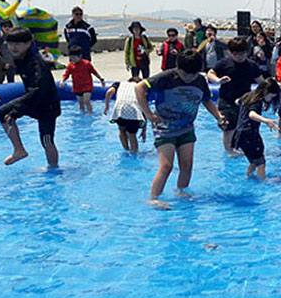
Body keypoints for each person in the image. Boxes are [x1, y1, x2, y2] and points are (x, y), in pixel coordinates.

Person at [135, 49, 227, 203]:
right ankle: (154, 198)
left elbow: (206, 100)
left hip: (186, 128)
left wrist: (218, 116)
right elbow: (139, 87)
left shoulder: (199, 80)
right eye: (186, 74)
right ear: (178, 68)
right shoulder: (166, 77)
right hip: (164, 128)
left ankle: (181, 192)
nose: (189, 78)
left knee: (186, 165)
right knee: (166, 166)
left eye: (193, 74)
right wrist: (149, 115)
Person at [0, 27, 60, 167]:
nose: (14, 47)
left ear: (29, 43)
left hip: (47, 105)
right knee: (2, 112)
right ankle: (19, 150)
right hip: (33, 100)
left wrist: (17, 109)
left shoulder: (36, 64)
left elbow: (39, 90)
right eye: (11, 43)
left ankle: (53, 168)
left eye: (18, 44)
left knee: (46, 140)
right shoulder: (21, 59)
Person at [207, 37, 265, 155]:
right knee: (228, 126)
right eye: (236, 54)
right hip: (226, 100)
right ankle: (228, 150)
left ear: (247, 52)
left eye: (242, 53)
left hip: (244, 102)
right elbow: (210, 74)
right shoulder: (224, 63)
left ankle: (237, 146)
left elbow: (261, 82)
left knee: (243, 126)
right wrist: (218, 80)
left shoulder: (251, 65)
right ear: (230, 52)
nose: (239, 56)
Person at [233, 78, 280, 180]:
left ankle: (249, 176)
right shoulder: (257, 101)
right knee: (261, 162)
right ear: (266, 91)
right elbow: (252, 114)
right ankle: (262, 180)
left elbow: (237, 101)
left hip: (240, 133)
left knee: (254, 160)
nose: (271, 99)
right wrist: (266, 121)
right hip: (249, 133)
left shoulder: (248, 95)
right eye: (271, 96)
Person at [104, 77, 146, 153]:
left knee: (121, 130)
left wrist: (107, 106)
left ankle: (126, 150)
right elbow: (144, 110)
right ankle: (134, 153)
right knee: (132, 134)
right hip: (134, 109)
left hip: (120, 108)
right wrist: (144, 131)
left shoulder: (119, 84)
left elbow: (109, 92)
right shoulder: (140, 88)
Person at [59, 46, 105, 114]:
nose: (73, 59)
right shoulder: (70, 66)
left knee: (86, 101)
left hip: (87, 86)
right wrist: (62, 81)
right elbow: (66, 74)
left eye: (74, 57)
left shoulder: (86, 64)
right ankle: (82, 113)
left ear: (80, 56)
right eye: (71, 58)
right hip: (77, 87)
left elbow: (94, 72)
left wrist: (101, 79)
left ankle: (90, 113)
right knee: (80, 103)